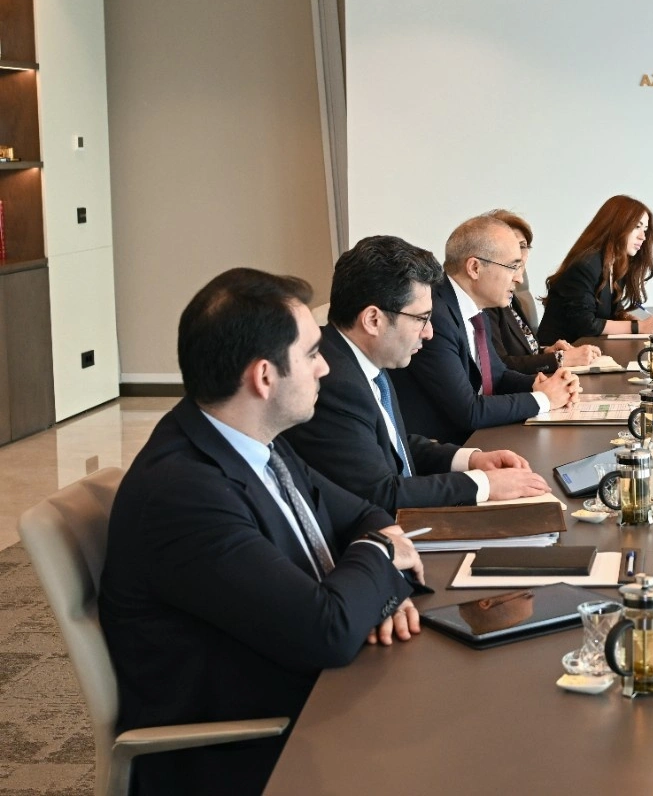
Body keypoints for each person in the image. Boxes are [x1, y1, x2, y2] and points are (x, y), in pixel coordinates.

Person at [99, 269, 424, 796]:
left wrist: (377, 593)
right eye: (312, 353)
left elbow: (364, 514)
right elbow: (328, 629)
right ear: (265, 377)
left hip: (311, 691)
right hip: (248, 749)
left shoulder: (252, 438)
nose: (325, 367)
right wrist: (382, 559)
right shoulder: (184, 494)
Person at [284, 235, 551, 515]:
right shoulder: (333, 382)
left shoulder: (363, 359)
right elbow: (381, 494)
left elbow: (392, 445)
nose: (429, 332)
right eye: (421, 319)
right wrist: (483, 484)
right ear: (373, 320)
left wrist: (470, 460)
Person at [391, 214, 580, 444]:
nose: (519, 278)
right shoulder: (436, 317)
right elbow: (469, 411)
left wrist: (541, 384)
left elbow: (497, 375)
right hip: (443, 450)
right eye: (513, 267)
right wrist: (544, 399)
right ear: (475, 268)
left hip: (478, 438)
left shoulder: (475, 309)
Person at [536, 194, 653, 345]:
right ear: (616, 226)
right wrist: (638, 327)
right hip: (560, 352)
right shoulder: (585, 266)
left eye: (645, 229)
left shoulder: (615, 264)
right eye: (637, 227)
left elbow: (614, 310)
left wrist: (638, 321)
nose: (643, 237)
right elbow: (586, 325)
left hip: (589, 349)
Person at [483, 209, 601, 374]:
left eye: (523, 246)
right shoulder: (487, 297)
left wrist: (546, 352)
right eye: (511, 245)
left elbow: (521, 351)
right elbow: (500, 365)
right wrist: (559, 359)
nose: (518, 253)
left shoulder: (510, 293)